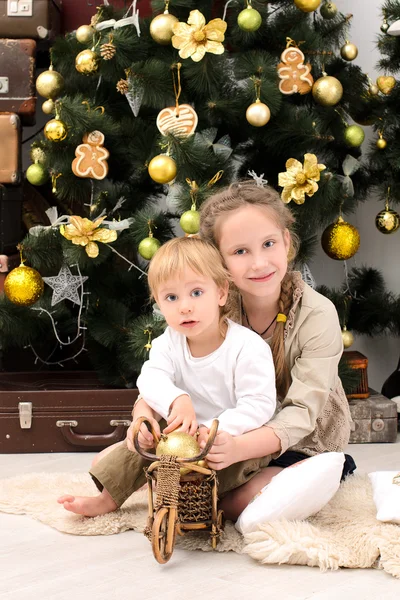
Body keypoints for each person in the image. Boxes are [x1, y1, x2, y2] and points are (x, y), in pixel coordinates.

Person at [58, 235, 277, 517]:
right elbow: (150, 379)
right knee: (141, 444)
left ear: (221, 293)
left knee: (219, 475)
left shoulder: (246, 347)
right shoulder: (169, 341)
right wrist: (177, 400)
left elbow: (258, 404)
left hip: (228, 439)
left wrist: (215, 429)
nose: (184, 306)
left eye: (196, 293)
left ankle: (201, 501)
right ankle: (107, 499)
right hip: (179, 439)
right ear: (159, 304)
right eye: (171, 297)